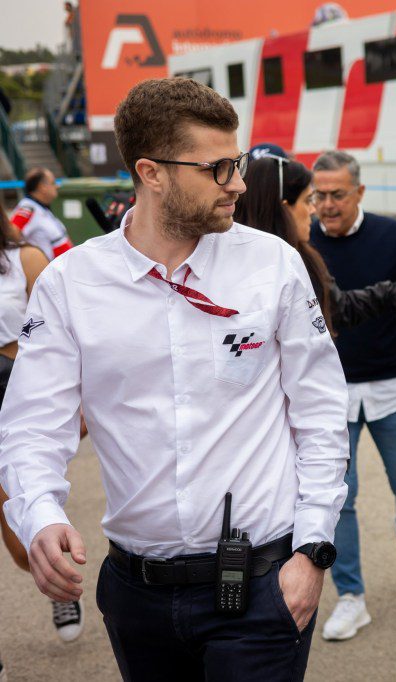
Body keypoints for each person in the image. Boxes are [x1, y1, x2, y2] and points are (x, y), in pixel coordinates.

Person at [0, 77, 350, 680]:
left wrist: (314, 549)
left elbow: (320, 410)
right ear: (150, 172)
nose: (238, 182)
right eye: (217, 168)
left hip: (262, 584)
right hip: (137, 594)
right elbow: (32, 429)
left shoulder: (272, 264)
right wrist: (41, 516)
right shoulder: (69, 284)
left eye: (236, 163)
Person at [309, 150, 396, 642]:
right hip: (328, 393)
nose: (326, 205)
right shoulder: (303, 242)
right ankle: (351, 596)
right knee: (341, 498)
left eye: (337, 194)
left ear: (359, 192)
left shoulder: (393, 235)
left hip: (391, 385)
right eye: (318, 195)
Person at [233, 155, 396, 333]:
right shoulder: (240, 275)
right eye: (313, 198)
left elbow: (339, 308)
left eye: (337, 195)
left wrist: (395, 293)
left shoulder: (303, 255)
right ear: (286, 209)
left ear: (360, 192)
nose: (318, 208)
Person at [0, 211, 74, 660]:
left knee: (19, 528)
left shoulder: (25, 259)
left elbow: (58, 341)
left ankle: (60, 579)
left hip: (12, 392)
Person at [11, 168, 74, 260]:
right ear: (42, 187)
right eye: (53, 183)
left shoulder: (40, 207)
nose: (57, 186)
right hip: (48, 271)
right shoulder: (28, 208)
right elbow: (9, 238)